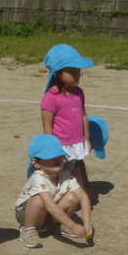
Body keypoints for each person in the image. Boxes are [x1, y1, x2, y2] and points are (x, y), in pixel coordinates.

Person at [41, 44, 98, 204]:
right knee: (57, 175)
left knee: (72, 170)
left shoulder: (78, 93)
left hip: (76, 144)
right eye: (72, 71)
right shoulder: (50, 98)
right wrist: (51, 149)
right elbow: (47, 126)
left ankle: (71, 199)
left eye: (78, 71)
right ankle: (55, 203)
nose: (77, 76)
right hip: (60, 146)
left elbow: (83, 116)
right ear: (58, 73)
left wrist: (87, 138)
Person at [16, 134, 93, 248]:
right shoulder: (38, 178)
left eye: (59, 155)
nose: (57, 159)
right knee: (39, 201)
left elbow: (83, 197)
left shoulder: (65, 174)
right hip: (28, 213)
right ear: (36, 162)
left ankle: (59, 225)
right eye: (50, 156)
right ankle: (28, 229)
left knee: (73, 197)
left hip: (49, 213)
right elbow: (50, 206)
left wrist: (87, 223)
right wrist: (73, 226)